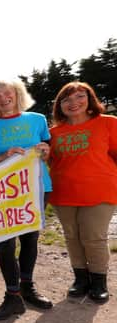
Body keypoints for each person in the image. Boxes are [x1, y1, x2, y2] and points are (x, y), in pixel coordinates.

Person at [0, 80, 53, 320]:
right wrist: (3, 157)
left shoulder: (38, 119)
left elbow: (47, 153)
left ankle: (28, 287)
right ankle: (12, 295)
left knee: (30, 239)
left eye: (7, 93)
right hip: (2, 194)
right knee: (5, 246)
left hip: (37, 188)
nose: (3, 98)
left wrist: (46, 152)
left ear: (17, 94)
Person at [49, 82, 117, 303]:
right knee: (72, 237)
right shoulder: (53, 133)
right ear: (60, 106)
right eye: (66, 100)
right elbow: (44, 162)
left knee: (93, 237)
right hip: (63, 193)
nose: (73, 103)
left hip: (100, 191)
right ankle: (80, 279)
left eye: (80, 97)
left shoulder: (108, 123)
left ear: (90, 100)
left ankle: (99, 282)